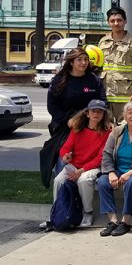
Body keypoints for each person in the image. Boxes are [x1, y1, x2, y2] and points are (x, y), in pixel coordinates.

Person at [41, 47, 106, 187]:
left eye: (86, 60)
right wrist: (68, 120)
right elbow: (52, 106)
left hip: (90, 127)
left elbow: (102, 102)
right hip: (66, 127)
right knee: (63, 164)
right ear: (71, 62)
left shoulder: (94, 80)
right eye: (79, 60)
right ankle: (62, 200)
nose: (83, 63)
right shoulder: (59, 80)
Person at [52, 100, 113, 228]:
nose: (96, 114)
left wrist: (80, 171)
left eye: (100, 111)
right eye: (93, 111)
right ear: (87, 114)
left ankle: (88, 212)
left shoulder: (107, 132)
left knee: (83, 180)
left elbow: (100, 158)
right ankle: (58, 210)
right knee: (58, 180)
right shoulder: (77, 129)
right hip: (74, 165)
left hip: (93, 167)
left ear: (103, 115)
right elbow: (65, 147)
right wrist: (65, 156)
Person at [96, 102, 132, 237]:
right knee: (103, 181)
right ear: (124, 116)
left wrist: (131, 172)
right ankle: (113, 221)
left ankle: (126, 221)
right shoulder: (117, 131)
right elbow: (107, 153)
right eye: (130, 113)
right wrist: (110, 172)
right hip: (117, 170)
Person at [98, 7, 132, 124]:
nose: (116, 23)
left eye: (119, 20)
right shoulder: (103, 42)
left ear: (125, 21)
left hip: (126, 95)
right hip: (105, 94)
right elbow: (98, 67)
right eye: (112, 21)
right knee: (106, 129)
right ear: (108, 22)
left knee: (126, 128)